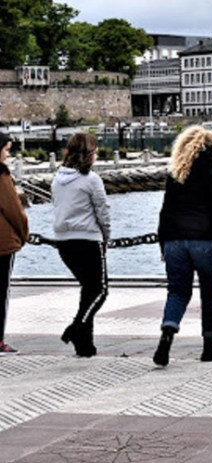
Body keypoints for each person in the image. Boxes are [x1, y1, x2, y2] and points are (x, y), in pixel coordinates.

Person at [153, 126, 212, 367]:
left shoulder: (175, 175)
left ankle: (167, 333)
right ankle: (209, 346)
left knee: (177, 292)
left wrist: (163, 245)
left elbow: (165, 212)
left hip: (175, 242)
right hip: (206, 242)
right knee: (211, 293)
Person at [52, 133, 111, 357]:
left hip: (64, 243)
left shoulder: (57, 178)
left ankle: (85, 346)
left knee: (88, 290)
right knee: (100, 290)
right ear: (89, 154)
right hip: (88, 240)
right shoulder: (91, 180)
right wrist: (106, 237)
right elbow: (103, 211)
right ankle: (76, 329)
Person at [0, 133, 29, 355]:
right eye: (6, 149)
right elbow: (14, 211)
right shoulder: (1, 175)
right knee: (1, 293)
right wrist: (24, 234)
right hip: (2, 243)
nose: (8, 154)